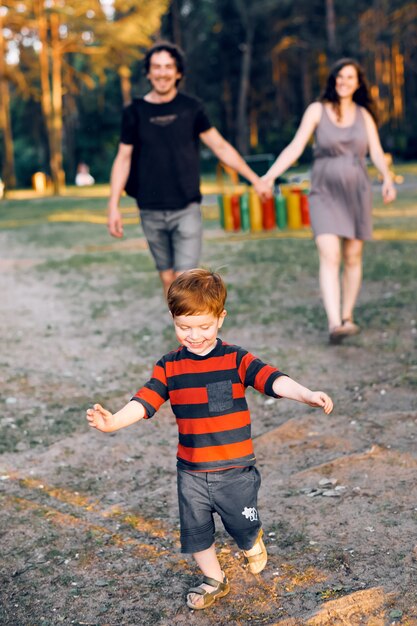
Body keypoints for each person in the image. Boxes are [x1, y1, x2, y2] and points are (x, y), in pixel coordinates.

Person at [86, 268, 333, 610]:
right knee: (196, 532)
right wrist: (113, 422)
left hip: (235, 469)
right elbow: (145, 400)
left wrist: (304, 394)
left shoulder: (235, 358)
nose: (194, 335)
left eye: (203, 326)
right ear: (173, 319)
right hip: (191, 470)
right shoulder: (169, 366)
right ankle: (214, 579)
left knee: (241, 526)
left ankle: (251, 540)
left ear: (221, 318)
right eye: (184, 327)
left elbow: (272, 379)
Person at [107, 41, 270, 296]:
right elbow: (123, 158)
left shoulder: (191, 108)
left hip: (187, 208)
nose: (162, 73)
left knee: (184, 281)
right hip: (150, 209)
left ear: (178, 72)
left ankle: (188, 335)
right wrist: (113, 206)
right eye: (156, 67)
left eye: (168, 67)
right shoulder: (134, 112)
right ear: (148, 73)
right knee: (167, 278)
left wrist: (254, 179)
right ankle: (183, 329)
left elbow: (220, 147)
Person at [262, 58, 396, 344]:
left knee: (352, 256)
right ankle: (334, 322)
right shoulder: (317, 110)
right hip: (324, 192)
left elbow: (376, 152)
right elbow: (296, 147)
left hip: (357, 192)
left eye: (350, 77)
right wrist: (271, 175)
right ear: (333, 80)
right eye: (339, 76)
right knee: (329, 253)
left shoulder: (364, 115)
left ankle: (347, 316)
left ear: (358, 83)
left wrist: (386, 178)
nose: (344, 81)